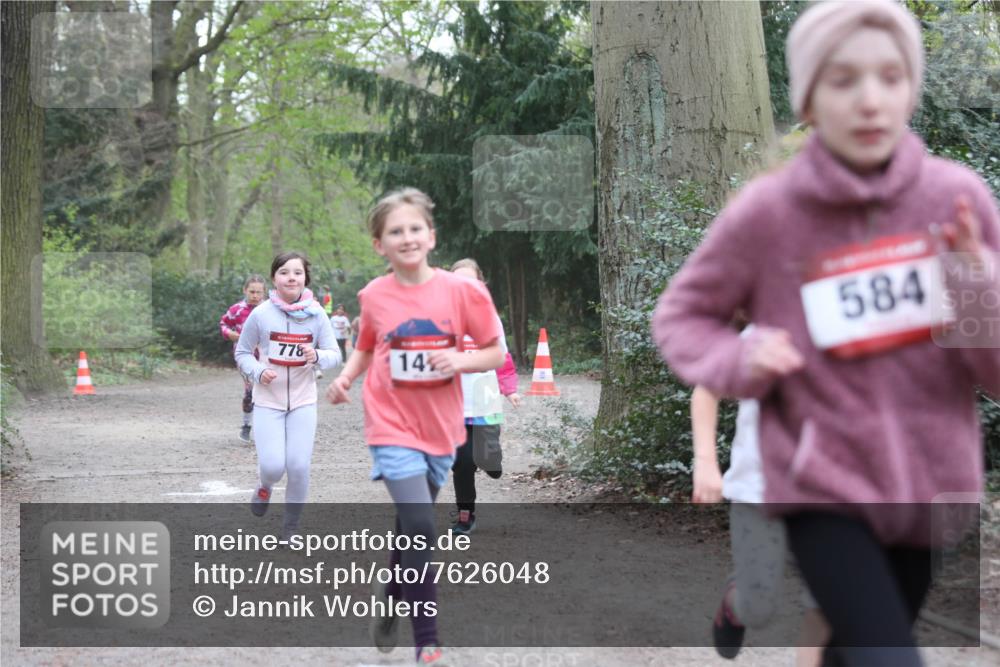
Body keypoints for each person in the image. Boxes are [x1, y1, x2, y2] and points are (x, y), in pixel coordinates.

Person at [653, 2, 1000, 664]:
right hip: (821, 483)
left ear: (911, 86)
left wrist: (979, 286)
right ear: (809, 94)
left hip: (928, 486)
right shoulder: (769, 212)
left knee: (851, 649)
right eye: (844, 80)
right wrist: (742, 356)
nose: (871, 100)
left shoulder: (956, 199)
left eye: (891, 77)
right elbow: (681, 317)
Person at [327, 188, 503, 666]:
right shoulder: (374, 294)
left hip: (441, 428)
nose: (406, 237)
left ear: (431, 236)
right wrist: (346, 377)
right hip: (390, 424)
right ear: (379, 244)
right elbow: (365, 346)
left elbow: (495, 351)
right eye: (394, 231)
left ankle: (390, 597)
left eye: (414, 228)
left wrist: (460, 358)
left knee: (411, 525)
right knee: (422, 525)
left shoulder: (464, 291)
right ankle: (428, 639)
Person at [690, 323, 828, 664]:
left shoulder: (857, 327)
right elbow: (707, 390)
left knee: (826, 609)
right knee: (758, 608)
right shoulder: (762, 334)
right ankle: (736, 601)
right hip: (758, 494)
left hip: (830, 499)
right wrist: (706, 463)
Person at [235, 252, 341, 538]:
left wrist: (316, 355)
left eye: (297, 272)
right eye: (284, 272)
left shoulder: (317, 314)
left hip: (303, 400)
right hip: (269, 399)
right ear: (274, 278)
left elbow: (335, 354)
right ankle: (265, 486)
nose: (291, 277)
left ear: (305, 278)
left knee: (298, 465)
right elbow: (242, 352)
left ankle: (290, 526)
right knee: (272, 466)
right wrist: (258, 371)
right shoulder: (261, 314)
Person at [449, 258, 521, 535]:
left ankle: (492, 461)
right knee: (462, 462)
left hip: (485, 399)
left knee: (486, 457)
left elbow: (502, 358)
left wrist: (510, 389)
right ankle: (466, 515)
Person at [220, 275, 266, 444]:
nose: (255, 295)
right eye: (252, 291)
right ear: (244, 290)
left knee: (267, 390)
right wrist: (229, 334)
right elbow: (223, 324)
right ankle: (246, 426)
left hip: (267, 357)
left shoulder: (270, 309)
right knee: (250, 391)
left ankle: (266, 427)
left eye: (259, 292)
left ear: (264, 293)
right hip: (245, 357)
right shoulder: (236, 310)